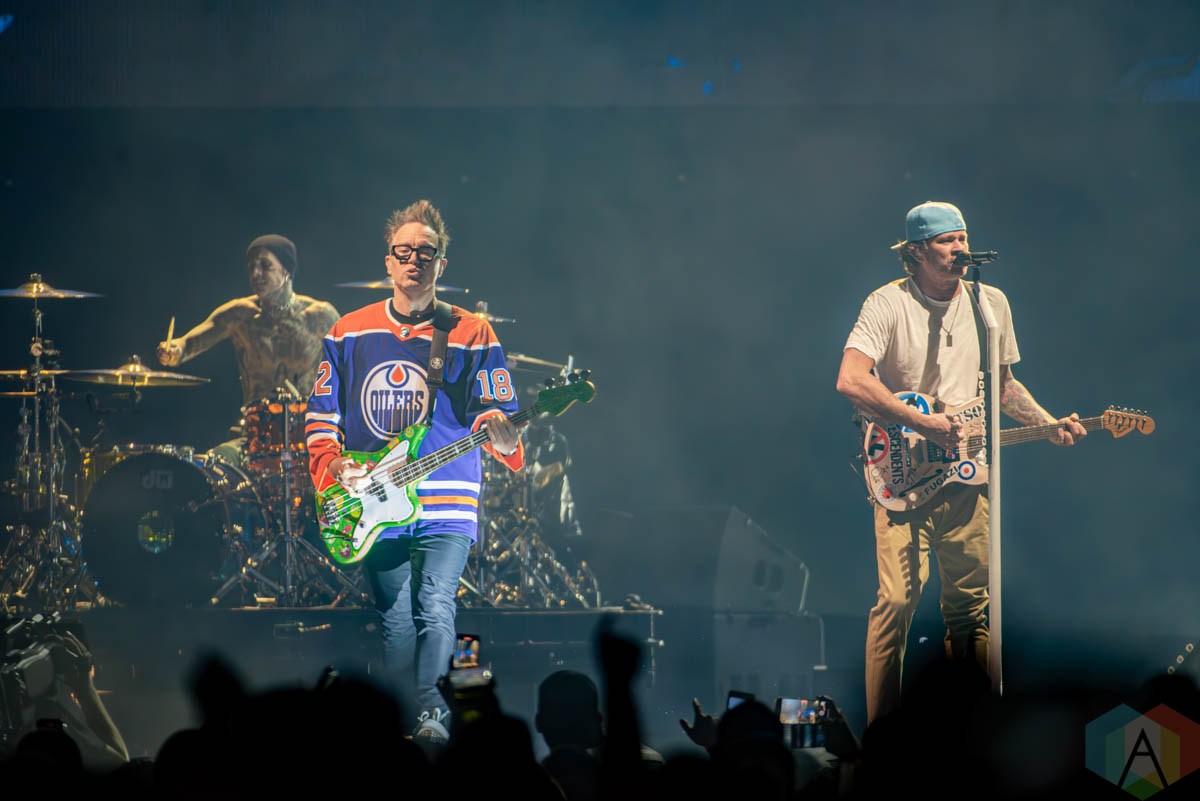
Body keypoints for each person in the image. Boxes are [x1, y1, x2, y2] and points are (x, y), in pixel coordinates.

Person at [835, 201, 1087, 725]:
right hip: (903, 473)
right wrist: (921, 422)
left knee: (970, 610)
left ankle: (973, 732)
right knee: (897, 602)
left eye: (963, 238)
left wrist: (1048, 423)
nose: (959, 248)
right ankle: (883, 735)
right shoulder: (887, 303)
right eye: (947, 241)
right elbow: (851, 380)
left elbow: (1004, 384)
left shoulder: (989, 304)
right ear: (915, 251)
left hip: (969, 473)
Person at [304, 200, 523, 742]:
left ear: (441, 264)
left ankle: (432, 715)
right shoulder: (348, 331)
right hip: (376, 499)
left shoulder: (473, 331)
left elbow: (496, 410)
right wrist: (336, 467)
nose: (414, 261)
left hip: (448, 498)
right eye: (404, 251)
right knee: (395, 619)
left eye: (426, 252)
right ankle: (404, 720)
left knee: (435, 603)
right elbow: (321, 417)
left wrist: (501, 431)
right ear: (388, 261)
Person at [156, 234, 340, 462]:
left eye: (265, 265)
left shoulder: (319, 315)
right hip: (255, 436)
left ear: (286, 271)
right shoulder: (240, 315)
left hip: (310, 433)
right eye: (251, 266)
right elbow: (190, 343)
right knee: (216, 464)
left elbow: (354, 366)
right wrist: (175, 349)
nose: (255, 273)